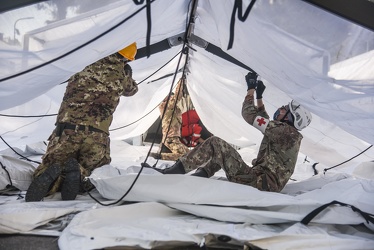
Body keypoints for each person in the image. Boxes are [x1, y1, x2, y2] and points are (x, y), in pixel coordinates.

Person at [149, 72, 312, 192]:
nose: (281, 109)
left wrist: (250, 90)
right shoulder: (287, 134)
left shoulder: (285, 132)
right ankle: (198, 179)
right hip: (262, 182)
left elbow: (249, 116)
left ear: (291, 117)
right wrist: (259, 97)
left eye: (285, 109)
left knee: (216, 143)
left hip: (258, 183)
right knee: (221, 154)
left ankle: (173, 173)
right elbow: (265, 121)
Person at [25, 42, 139, 202]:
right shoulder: (122, 76)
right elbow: (132, 90)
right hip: (96, 138)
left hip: (66, 132)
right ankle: (79, 176)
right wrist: (127, 73)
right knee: (96, 174)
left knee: (49, 166)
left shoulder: (82, 62)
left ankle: (52, 177)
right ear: (126, 59)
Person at [150, 77, 189, 161]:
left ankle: (163, 153)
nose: (171, 97)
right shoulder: (166, 105)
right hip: (171, 139)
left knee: (189, 153)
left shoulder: (170, 107)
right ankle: (160, 156)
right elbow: (177, 95)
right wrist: (181, 81)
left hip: (172, 138)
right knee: (185, 156)